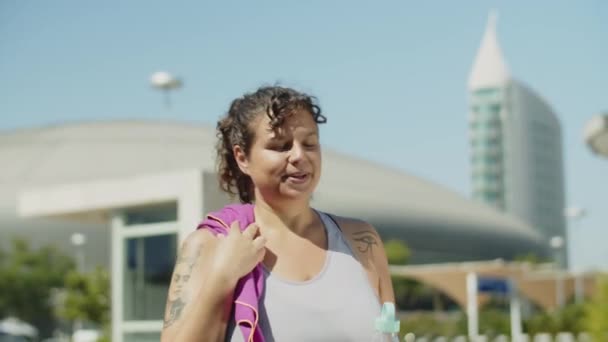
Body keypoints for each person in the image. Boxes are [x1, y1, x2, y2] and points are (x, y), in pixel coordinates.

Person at [161, 85, 395, 342]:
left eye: (310, 143)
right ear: (242, 158)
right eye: (280, 146)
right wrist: (222, 277)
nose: (299, 155)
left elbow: (390, 332)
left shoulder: (361, 240)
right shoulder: (212, 245)